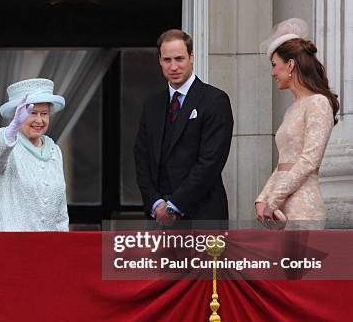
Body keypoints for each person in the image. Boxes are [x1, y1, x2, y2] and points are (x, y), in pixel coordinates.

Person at [134, 29, 234, 223]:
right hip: (158, 218)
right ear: (160, 62)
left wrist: (174, 206)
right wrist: (156, 204)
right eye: (167, 60)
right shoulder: (152, 104)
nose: (173, 67)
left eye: (179, 59)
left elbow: (211, 161)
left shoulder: (215, 100)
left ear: (191, 57)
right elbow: (141, 157)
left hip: (203, 215)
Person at [255, 18, 339, 228]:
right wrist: (263, 198)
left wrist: (273, 200)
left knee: (299, 262)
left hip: (303, 207)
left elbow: (309, 161)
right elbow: (284, 163)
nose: (272, 73)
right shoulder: (294, 107)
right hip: (280, 206)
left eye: (275, 65)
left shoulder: (318, 103)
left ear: (290, 64)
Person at [0, 78, 69, 231]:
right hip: (9, 246)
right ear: (18, 114)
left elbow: (61, 211)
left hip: (45, 248)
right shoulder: (4, 140)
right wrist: (13, 127)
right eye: (32, 113)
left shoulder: (55, 150)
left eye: (44, 113)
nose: (39, 120)